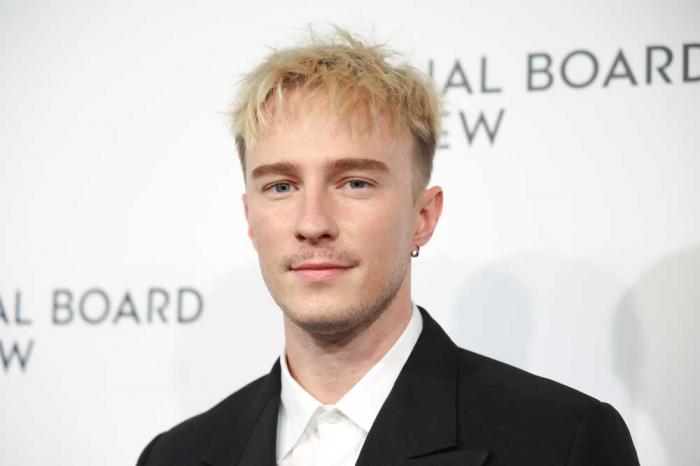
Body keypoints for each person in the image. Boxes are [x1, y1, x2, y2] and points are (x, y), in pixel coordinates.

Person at [137, 28, 639, 466]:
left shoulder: (561, 442)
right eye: (281, 187)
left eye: (355, 183)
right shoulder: (174, 456)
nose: (312, 224)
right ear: (250, 218)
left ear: (423, 217)